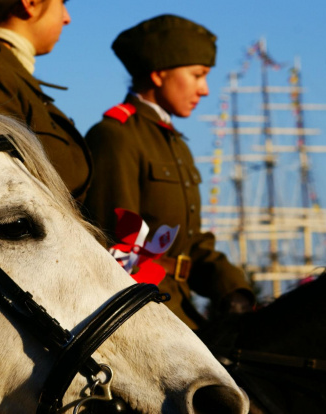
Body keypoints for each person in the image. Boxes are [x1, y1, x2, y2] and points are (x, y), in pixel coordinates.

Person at [83, 15, 254, 330]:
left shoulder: (174, 143)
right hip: (147, 314)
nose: (204, 90)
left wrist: (233, 289)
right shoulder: (116, 135)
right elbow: (117, 245)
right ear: (159, 74)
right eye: (197, 75)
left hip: (181, 305)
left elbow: (190, 244)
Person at [0, 0, 92, 202]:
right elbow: (9, 192)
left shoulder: (3, 70)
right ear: (30, 3)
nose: (67, 18)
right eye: (61, 3)